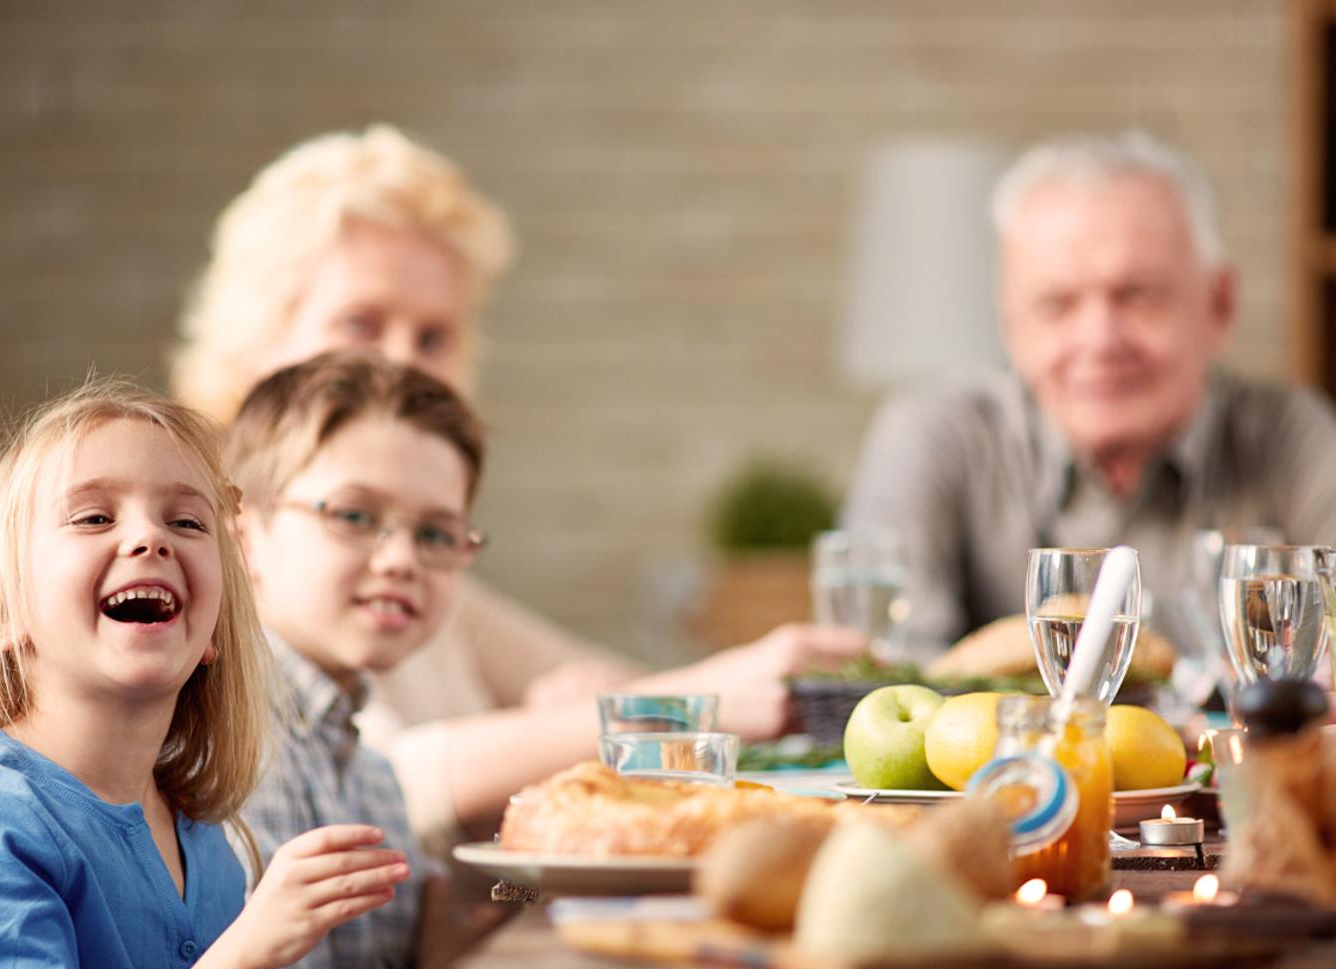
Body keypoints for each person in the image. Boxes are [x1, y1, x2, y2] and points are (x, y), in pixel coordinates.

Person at [170, 125, 865, 856]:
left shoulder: (406, 557)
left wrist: (643, 701)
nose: (407, 363)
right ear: (254, 340)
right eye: (362, 324)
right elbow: (363, 790)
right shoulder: (225, 552)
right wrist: (682, 706)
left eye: (434, 337)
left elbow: (604, 683)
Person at [0, 381, 406, 969]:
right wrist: (248, 949)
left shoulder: (201, 836)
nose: (149, 537)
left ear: (211, 633)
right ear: (0, 611)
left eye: (186, 523)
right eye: (92, 518)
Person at [842, 130, 1336, 649]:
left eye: (1137, 295)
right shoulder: (936, 432)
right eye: (1056, 305)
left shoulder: (1288, 434)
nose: (1099, 340)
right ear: (1010, 328)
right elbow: (881, 670)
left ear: (1218, 306)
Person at [225, 353, 489, 969]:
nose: (402, 557)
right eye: (356, 516)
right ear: (246, 537)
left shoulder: (367, 768)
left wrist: (533, 883)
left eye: (437, 534)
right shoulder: (235, 754)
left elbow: (459, 914)